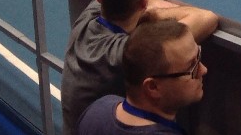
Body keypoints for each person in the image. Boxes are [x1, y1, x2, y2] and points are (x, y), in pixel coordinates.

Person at [60, 0, 218, 135]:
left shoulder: (87, 18)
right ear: (143, 3)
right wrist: (157, 13)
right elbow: (207, 18)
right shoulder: (128, 50)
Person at [76, 19, 206, 135]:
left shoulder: (96, 111)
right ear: (153, 87)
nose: (203, 70)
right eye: (192, 67)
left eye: (198, 57)